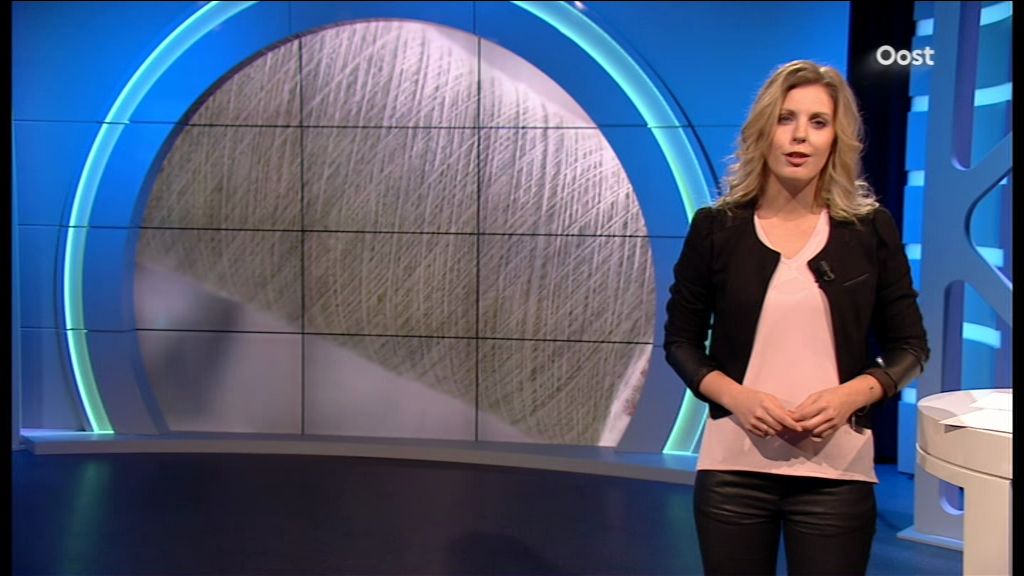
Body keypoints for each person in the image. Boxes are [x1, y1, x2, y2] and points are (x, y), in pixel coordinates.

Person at [664, 60, 929, 575]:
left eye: (818, 122)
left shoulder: (869, 229)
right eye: (786, 118)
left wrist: (851, 396)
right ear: (763, 130)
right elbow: (681, 342)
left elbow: (910, 348)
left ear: (836, 139)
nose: (799, 136)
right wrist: (737, 397)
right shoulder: (717, 228)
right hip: (734, 471)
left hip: (837, 474)